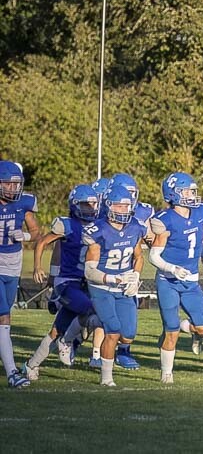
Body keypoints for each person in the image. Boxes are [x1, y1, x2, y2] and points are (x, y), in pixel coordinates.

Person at [25, 184, 103, 379]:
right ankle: (67, 341)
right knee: (92, 310)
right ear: (75, 205)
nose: (90, 208)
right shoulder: (67, 224)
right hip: (67, 282)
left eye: (93, 204)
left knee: (56, 330)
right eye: (86, 205)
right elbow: (42, 242)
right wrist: (37, 267)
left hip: (85, 283)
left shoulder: (99, 225)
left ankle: (31, 365)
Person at [149, 172, 203, 384]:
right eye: (187, 191)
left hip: (191, 281)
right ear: (173, 194)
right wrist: (172, 268)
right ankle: (167, 372)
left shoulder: (200, 212)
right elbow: (153, 255)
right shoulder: (165, 221)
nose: (192, 195)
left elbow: (198, 237)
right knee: (171, 330)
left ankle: (188, 328)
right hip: (168, 280)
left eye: (192, 190)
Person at [83, 185, 146, 386]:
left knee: (127, 336)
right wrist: (112, 279)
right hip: (101, 286)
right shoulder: (98, 230)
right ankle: (107, 377)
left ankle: (92, 321)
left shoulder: (135, 227)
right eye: (119, 206)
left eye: (126, 206)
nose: (123, 210)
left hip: (123, 286)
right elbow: (89, 271)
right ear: (109, 206)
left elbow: (138, 257)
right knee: (113, 331)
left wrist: (135, 277)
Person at [0, 160, 40, 388]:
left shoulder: (22, 204)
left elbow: (36, 231)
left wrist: (24, 237)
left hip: (13, 264)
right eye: (9, 184)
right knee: (3, 315)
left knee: (5, 317)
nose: (14, 189)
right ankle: (12, 372)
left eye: (16, 184)